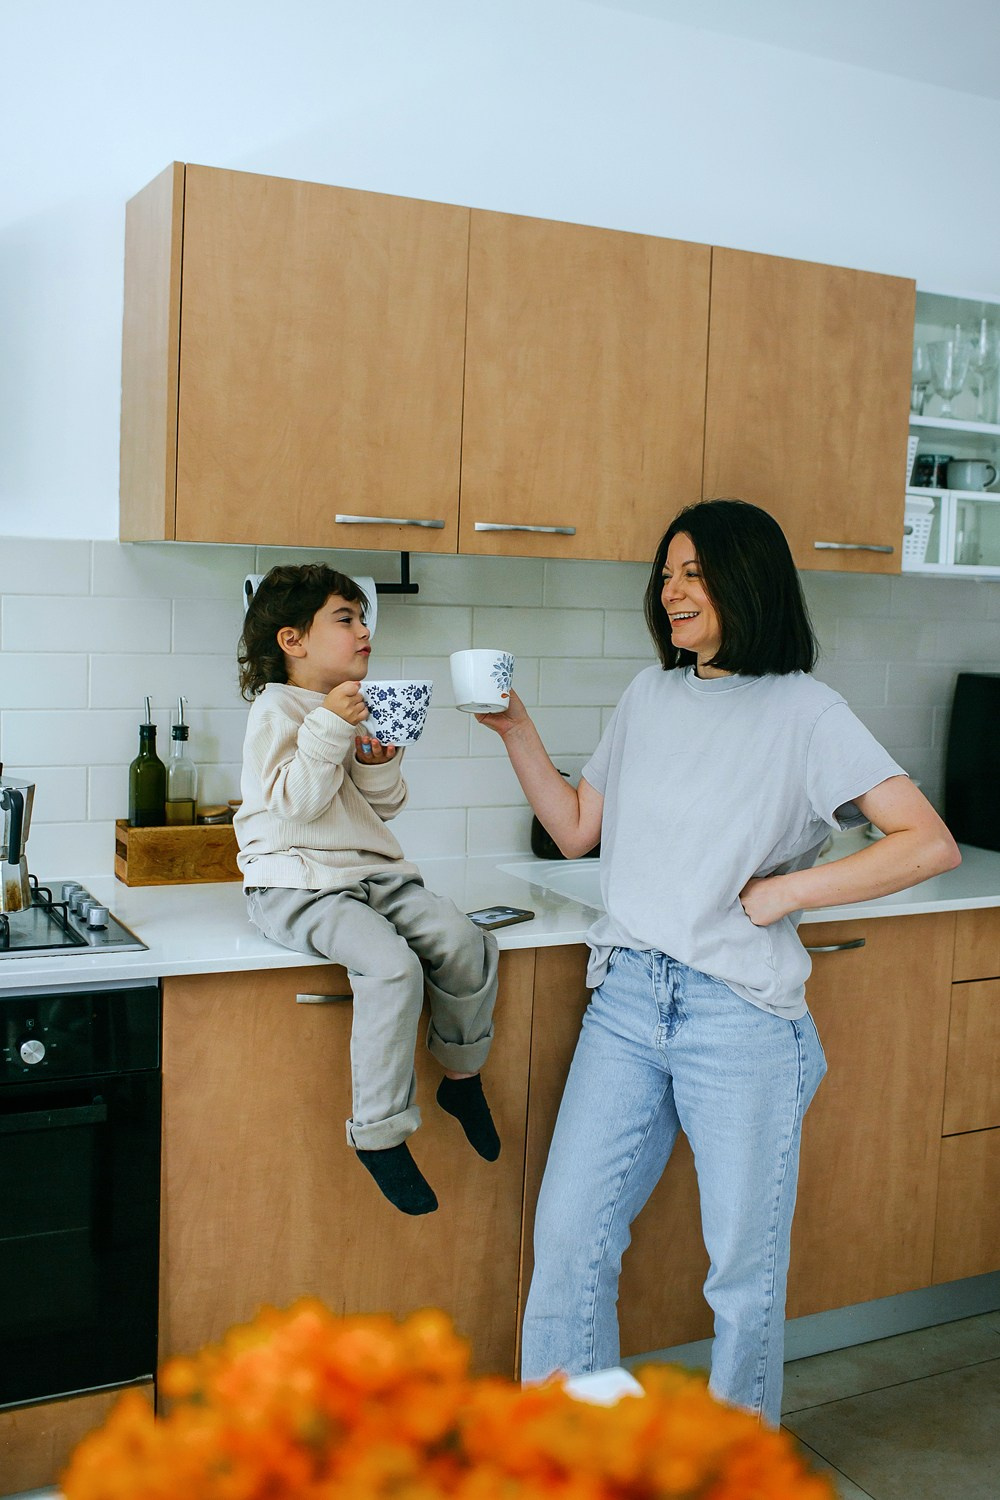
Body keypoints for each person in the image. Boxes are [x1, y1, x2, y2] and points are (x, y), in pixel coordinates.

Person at [477, 498, 960, 1424]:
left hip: (738, 1017)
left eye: (692, 574)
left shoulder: (808, 713)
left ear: (746, 581)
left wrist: (784, 895)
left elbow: (926, 841)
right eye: (666, 576)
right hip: (626, 1001)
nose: (672, 594)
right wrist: (515, 732)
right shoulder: (649, 696)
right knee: (571, 1237)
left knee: (742, 1270)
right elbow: (577, 829)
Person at [235, 564, 501, 1217]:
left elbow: (376, 810)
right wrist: (329, 728)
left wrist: (380, 766)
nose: (364, 632)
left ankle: (461, 1080)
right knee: (391, 967)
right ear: (292, 640)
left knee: (463, 939)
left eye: (363, 618)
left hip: (367, 873)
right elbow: (296, 806)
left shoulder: (347, 707)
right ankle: (378, 1133)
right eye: (346, 619)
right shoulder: (276, 709)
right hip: (297, 882)